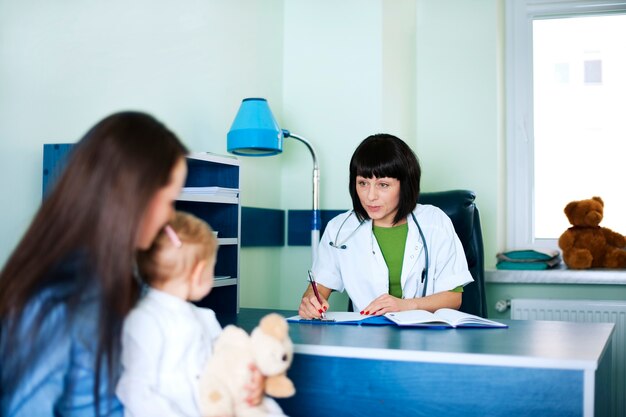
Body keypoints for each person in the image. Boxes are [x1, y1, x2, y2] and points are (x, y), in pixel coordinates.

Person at [0, 111, 189, 416]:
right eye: (169, 200)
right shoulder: (53, 302)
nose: (170, 216)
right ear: (132, 197)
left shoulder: (118, 282)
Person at [116, 211, 283, 417]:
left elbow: (227, 361)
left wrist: (252, 380)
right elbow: (135, 391)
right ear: (199, 272)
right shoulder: (143, 321)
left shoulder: (204, 317)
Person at [299, 133, 473, 319]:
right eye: (363, 183)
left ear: (405, 185)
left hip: (425, 335)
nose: (370, 196)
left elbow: (453, 298)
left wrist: (405, 306)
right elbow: (318, 287)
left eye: (383, 185)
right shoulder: (339, 229)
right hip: (366, 336)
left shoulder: (435, 222)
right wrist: (310, 302)